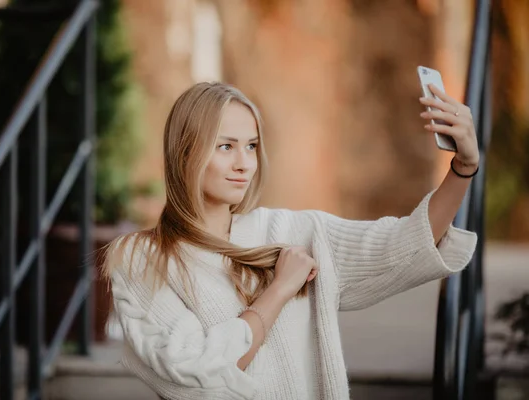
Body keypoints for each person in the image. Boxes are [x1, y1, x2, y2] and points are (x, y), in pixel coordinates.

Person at [102, 82, 479, 400]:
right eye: (225, 146)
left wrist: (463, 167)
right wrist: (280, 288)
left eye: (251, 146)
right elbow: (196, 372)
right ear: (184, 151)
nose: (244, 164)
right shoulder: (141, 259)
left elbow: (402, 245)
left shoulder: (290, 231)